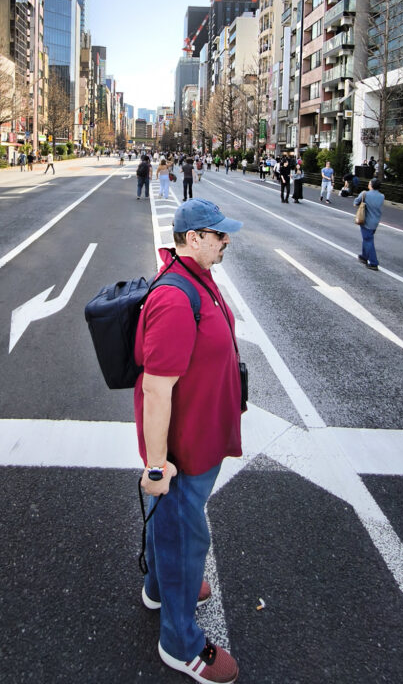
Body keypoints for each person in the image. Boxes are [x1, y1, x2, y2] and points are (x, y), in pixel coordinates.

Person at [135, 198, 244, 683]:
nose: (226, 241)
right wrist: (157, 466)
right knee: (186, 535)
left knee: (174, 527)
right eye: (218, 235)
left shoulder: (198, 279)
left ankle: (158, 588)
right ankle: (180, 645)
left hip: (200, 435)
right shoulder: (177, 297)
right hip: (184, 449)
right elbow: (156, 388)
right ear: (193, 238)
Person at [355, 178, 385, 270]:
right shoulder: (382, 196)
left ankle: (373, 262)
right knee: (367, 238)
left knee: (368, 241)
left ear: (371, 185)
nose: (368, 184)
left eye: (369, 183)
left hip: (366, 220)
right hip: (376, 221)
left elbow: (355, 202)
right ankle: (364, 256)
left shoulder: (365, 194)